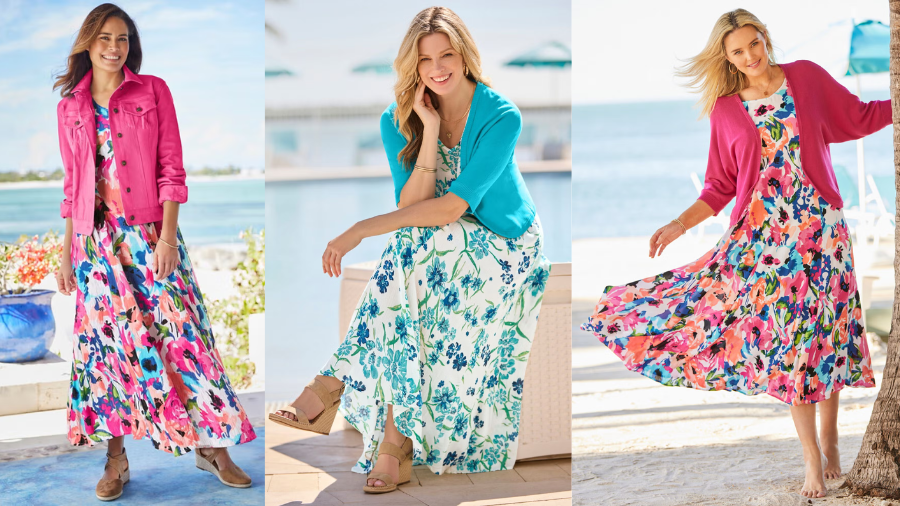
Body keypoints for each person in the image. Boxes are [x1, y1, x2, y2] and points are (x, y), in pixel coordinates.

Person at [581, 8, 888, 499]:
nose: (749, 56)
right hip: (765, 244)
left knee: (827, 336)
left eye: (754, 44)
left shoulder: (805, 78)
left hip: (823, 231)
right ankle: (812, 455)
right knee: (793, 344)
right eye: (737, 51)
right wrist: (679, 224)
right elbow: (720, 184)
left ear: (765, 39)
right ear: (725, 57)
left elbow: (859, 116)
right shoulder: (725, 109)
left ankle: (831, 441)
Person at [268, 6, 552, 495]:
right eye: (424, 61)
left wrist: (358, 229)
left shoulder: (501, 115)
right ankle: (393, 444)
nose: (437, 68)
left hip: (507, 244)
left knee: (411, 242)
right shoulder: (397, 120)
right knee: (413, 249)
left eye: (446, 55)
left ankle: (332, 386)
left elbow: (453, 207)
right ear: (412, 67)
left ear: (464, 55)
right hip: (438, 241)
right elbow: (413, 206)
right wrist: (427, 133)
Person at [53, 4, 255, 501]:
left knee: (184, 337)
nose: (114, 47)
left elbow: (171, 167)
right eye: (104, 37)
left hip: (148, 238)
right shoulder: (69, 108)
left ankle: (213, 447)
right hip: (94, 246)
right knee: (108, 352)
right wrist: (66, 255)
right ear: (87, 42)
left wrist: (167, 238)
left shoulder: (152, 90)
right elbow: (73, 185)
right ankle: (116, 461)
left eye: (122, 39)